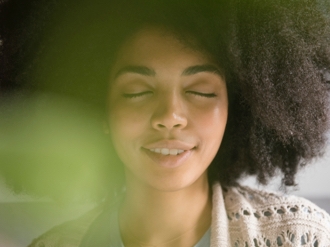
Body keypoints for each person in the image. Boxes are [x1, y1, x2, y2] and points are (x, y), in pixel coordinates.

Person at [1, 0, 330, 246]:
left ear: (238, 108)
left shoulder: (302, 236)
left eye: (200, 90)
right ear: (99, 109)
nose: (170, 116)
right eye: (138, 91)